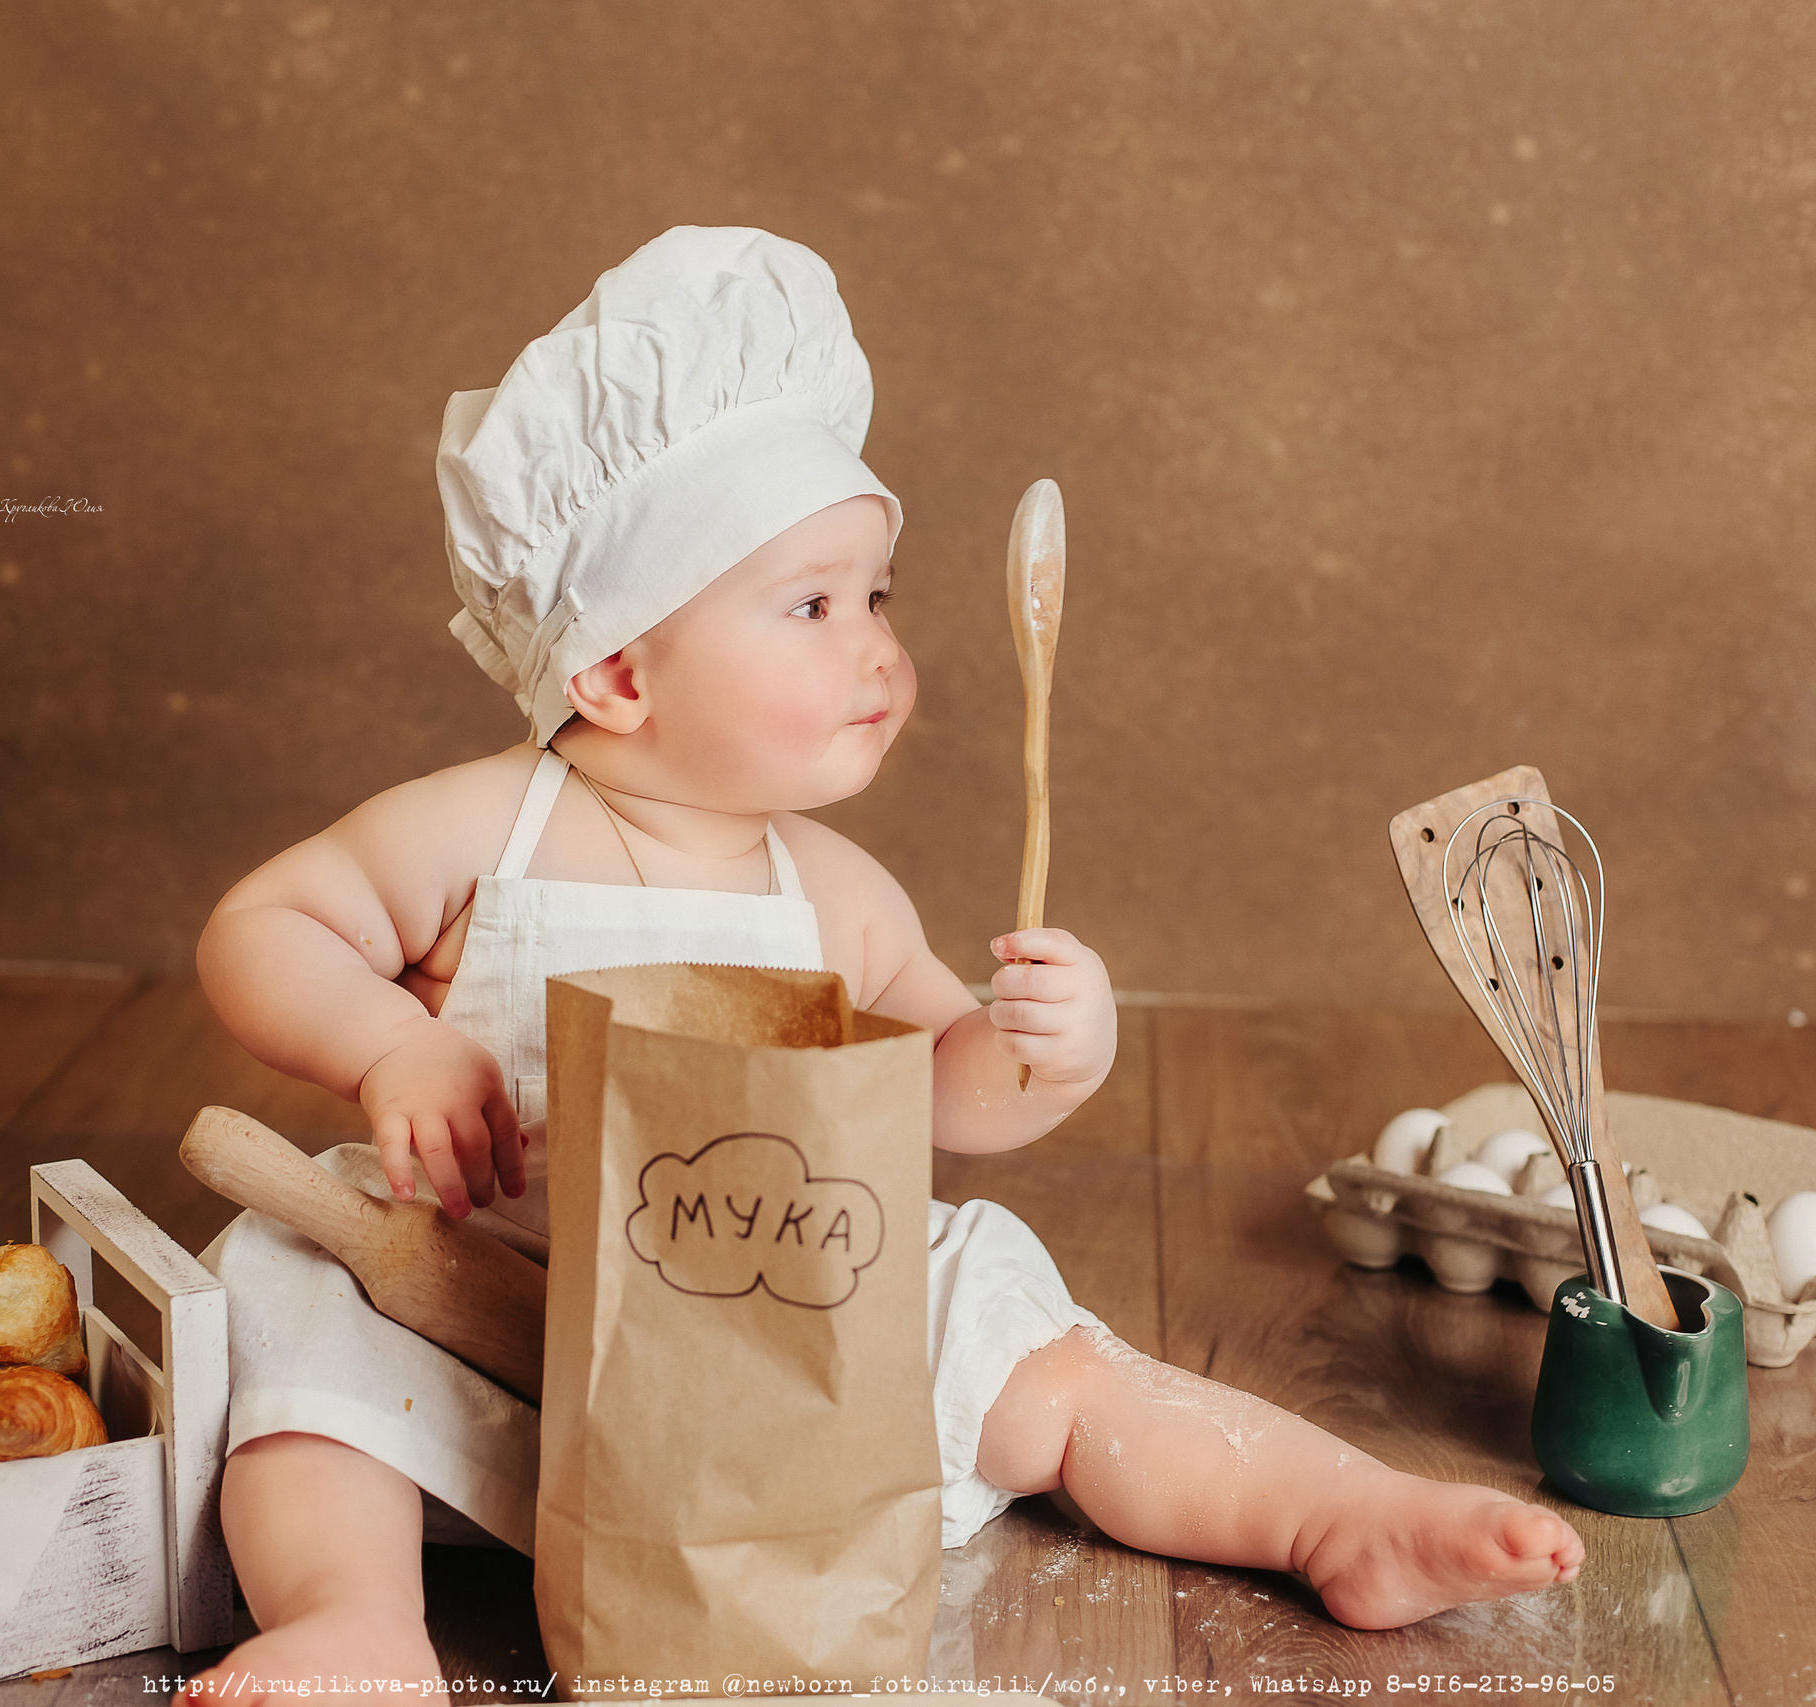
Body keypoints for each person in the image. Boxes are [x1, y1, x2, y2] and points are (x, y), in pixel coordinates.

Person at [187, 227, 1582, 1700]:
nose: (876, 651)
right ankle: (356, 1621)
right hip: (479, 1315)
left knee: (1008, 1315)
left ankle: (1329, 1514)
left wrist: (1044, 1043)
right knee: (297, 1279)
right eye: (813, 605)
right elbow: (259, 930)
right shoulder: (481, 828)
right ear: (615, 672)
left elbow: (948, 1094)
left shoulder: (833, 893)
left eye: (880, 598)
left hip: (772, 1353)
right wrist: (386, 1048)